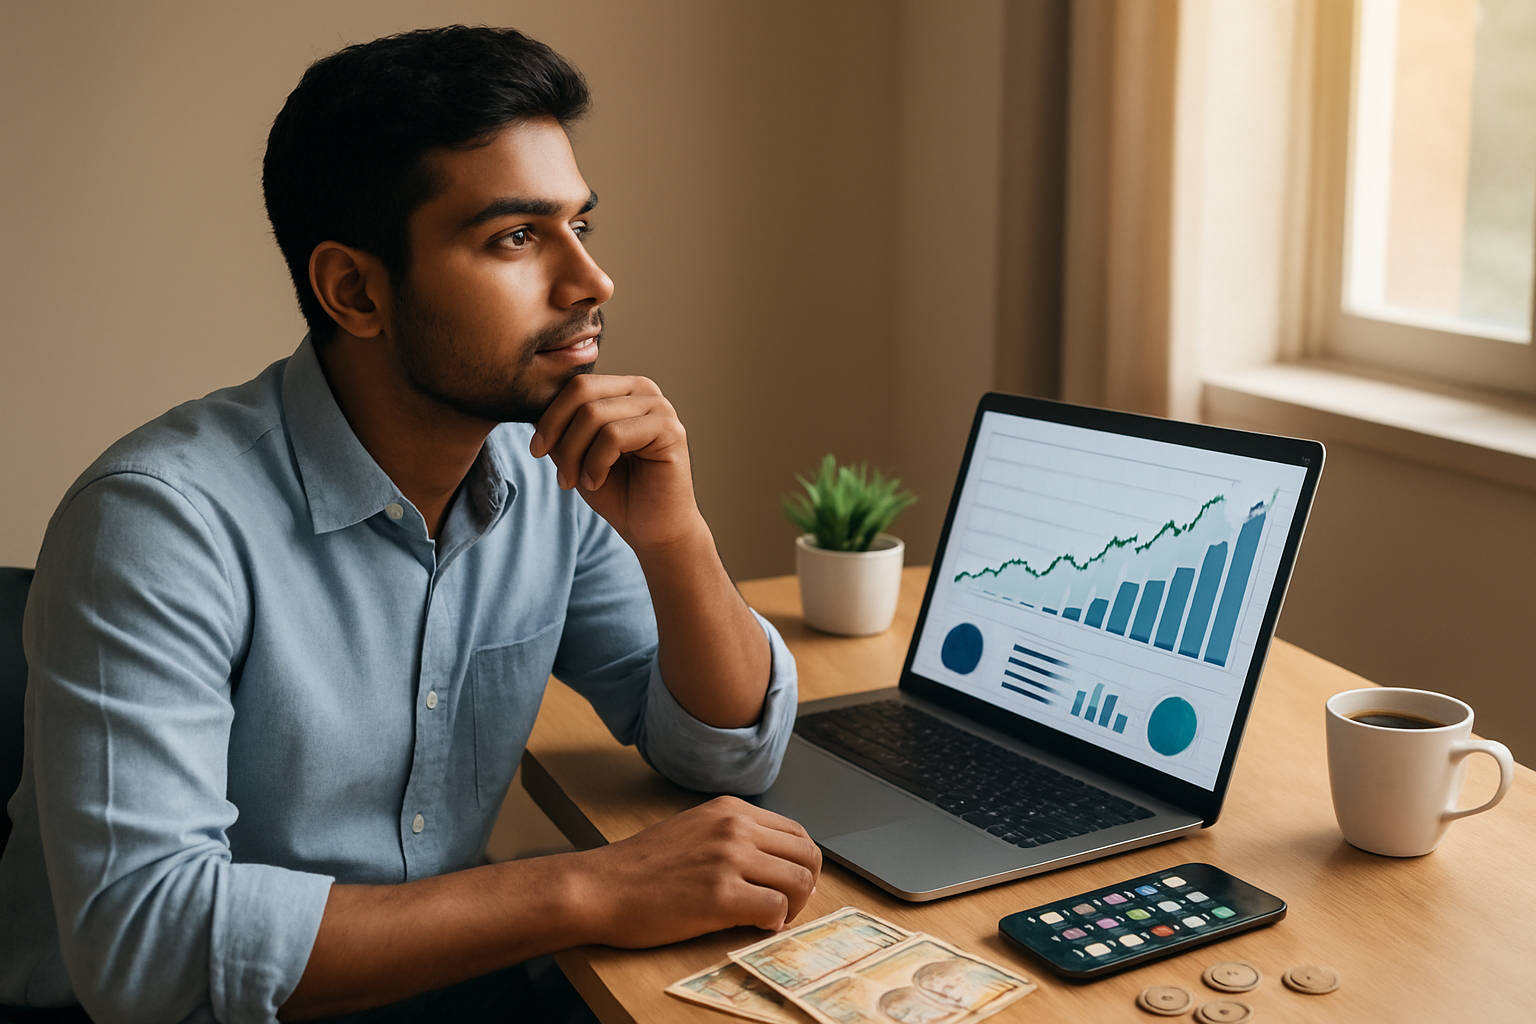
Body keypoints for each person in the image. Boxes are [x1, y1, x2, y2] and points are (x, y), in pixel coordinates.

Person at [0, 25, 821, 1023]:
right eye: (516, 237)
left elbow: (724, 753)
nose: (591, 282)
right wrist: (589, 887)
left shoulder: (545, 469)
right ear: (355, 290)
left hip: (432, 982)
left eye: (580, 225)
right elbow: (146, 951)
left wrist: (675, 535)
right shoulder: (157, 524)